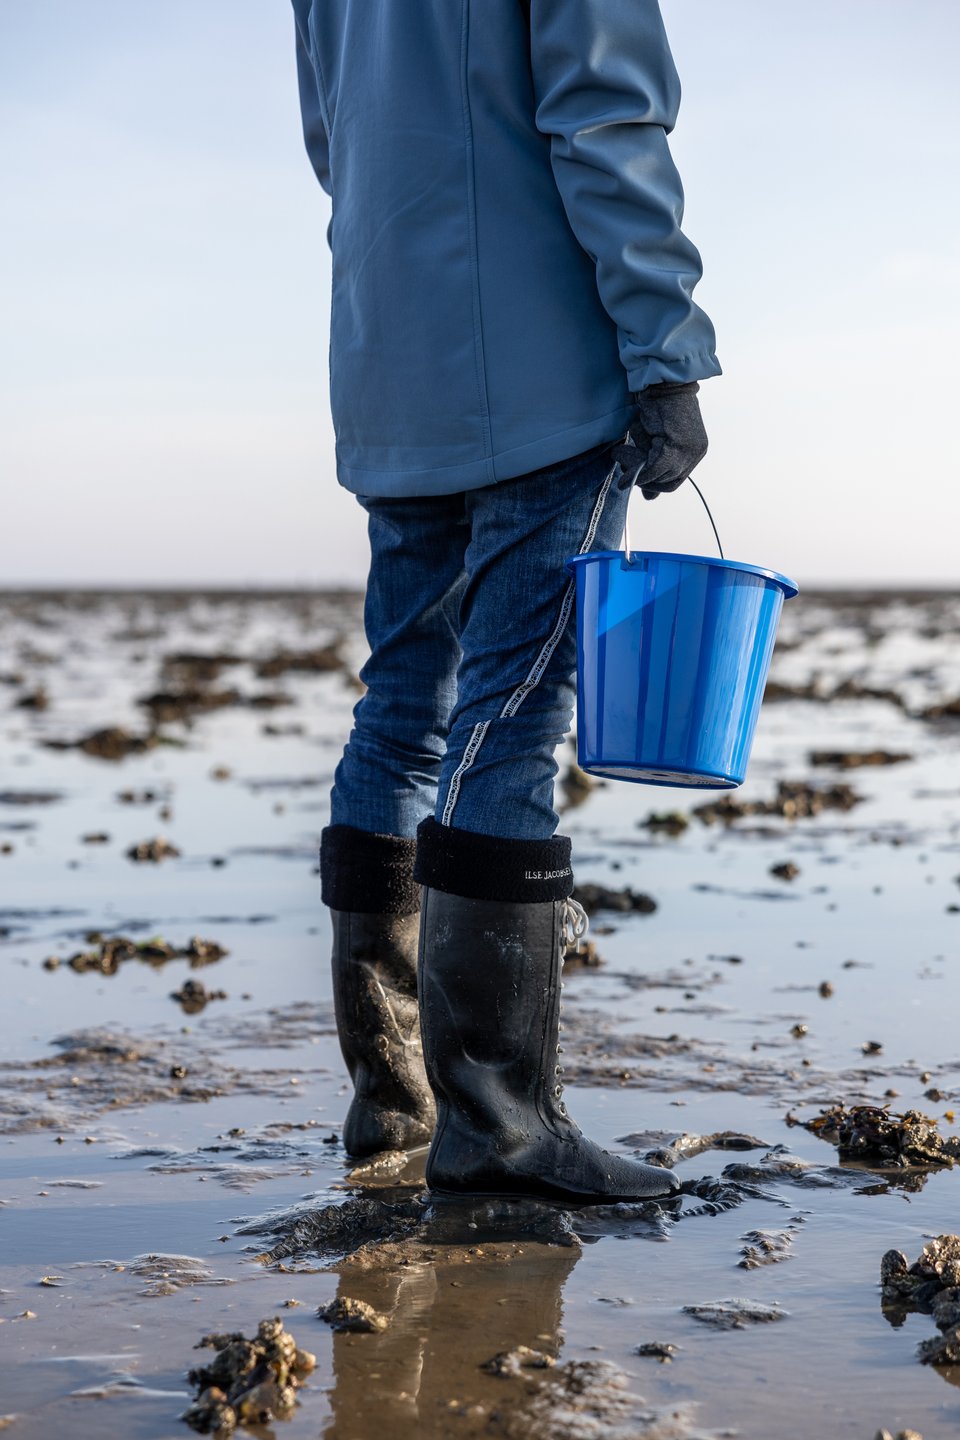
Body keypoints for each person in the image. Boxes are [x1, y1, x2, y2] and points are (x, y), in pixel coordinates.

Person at [292, 0, 720, 1203]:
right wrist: (666, 345)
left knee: (401, 712)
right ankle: (500, 1130)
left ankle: (394, 1113)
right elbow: (606, 113)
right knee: (515, 715)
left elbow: (336, 145)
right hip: (540, 364)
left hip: (390, 363)